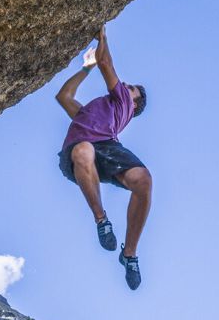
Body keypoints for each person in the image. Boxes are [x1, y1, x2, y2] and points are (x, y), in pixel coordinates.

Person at [56, 26, 150, 290]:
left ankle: (129, 254)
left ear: (134, 104)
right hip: (82, 151)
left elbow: (106, 63)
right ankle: (102, 221)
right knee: (83, 149)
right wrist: (85, 68)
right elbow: (64, 97)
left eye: (131, 88)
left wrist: (102, 36)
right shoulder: (91, 113)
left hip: (107, 147)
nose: (124, 86)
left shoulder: (122, 103)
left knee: (143, 180)